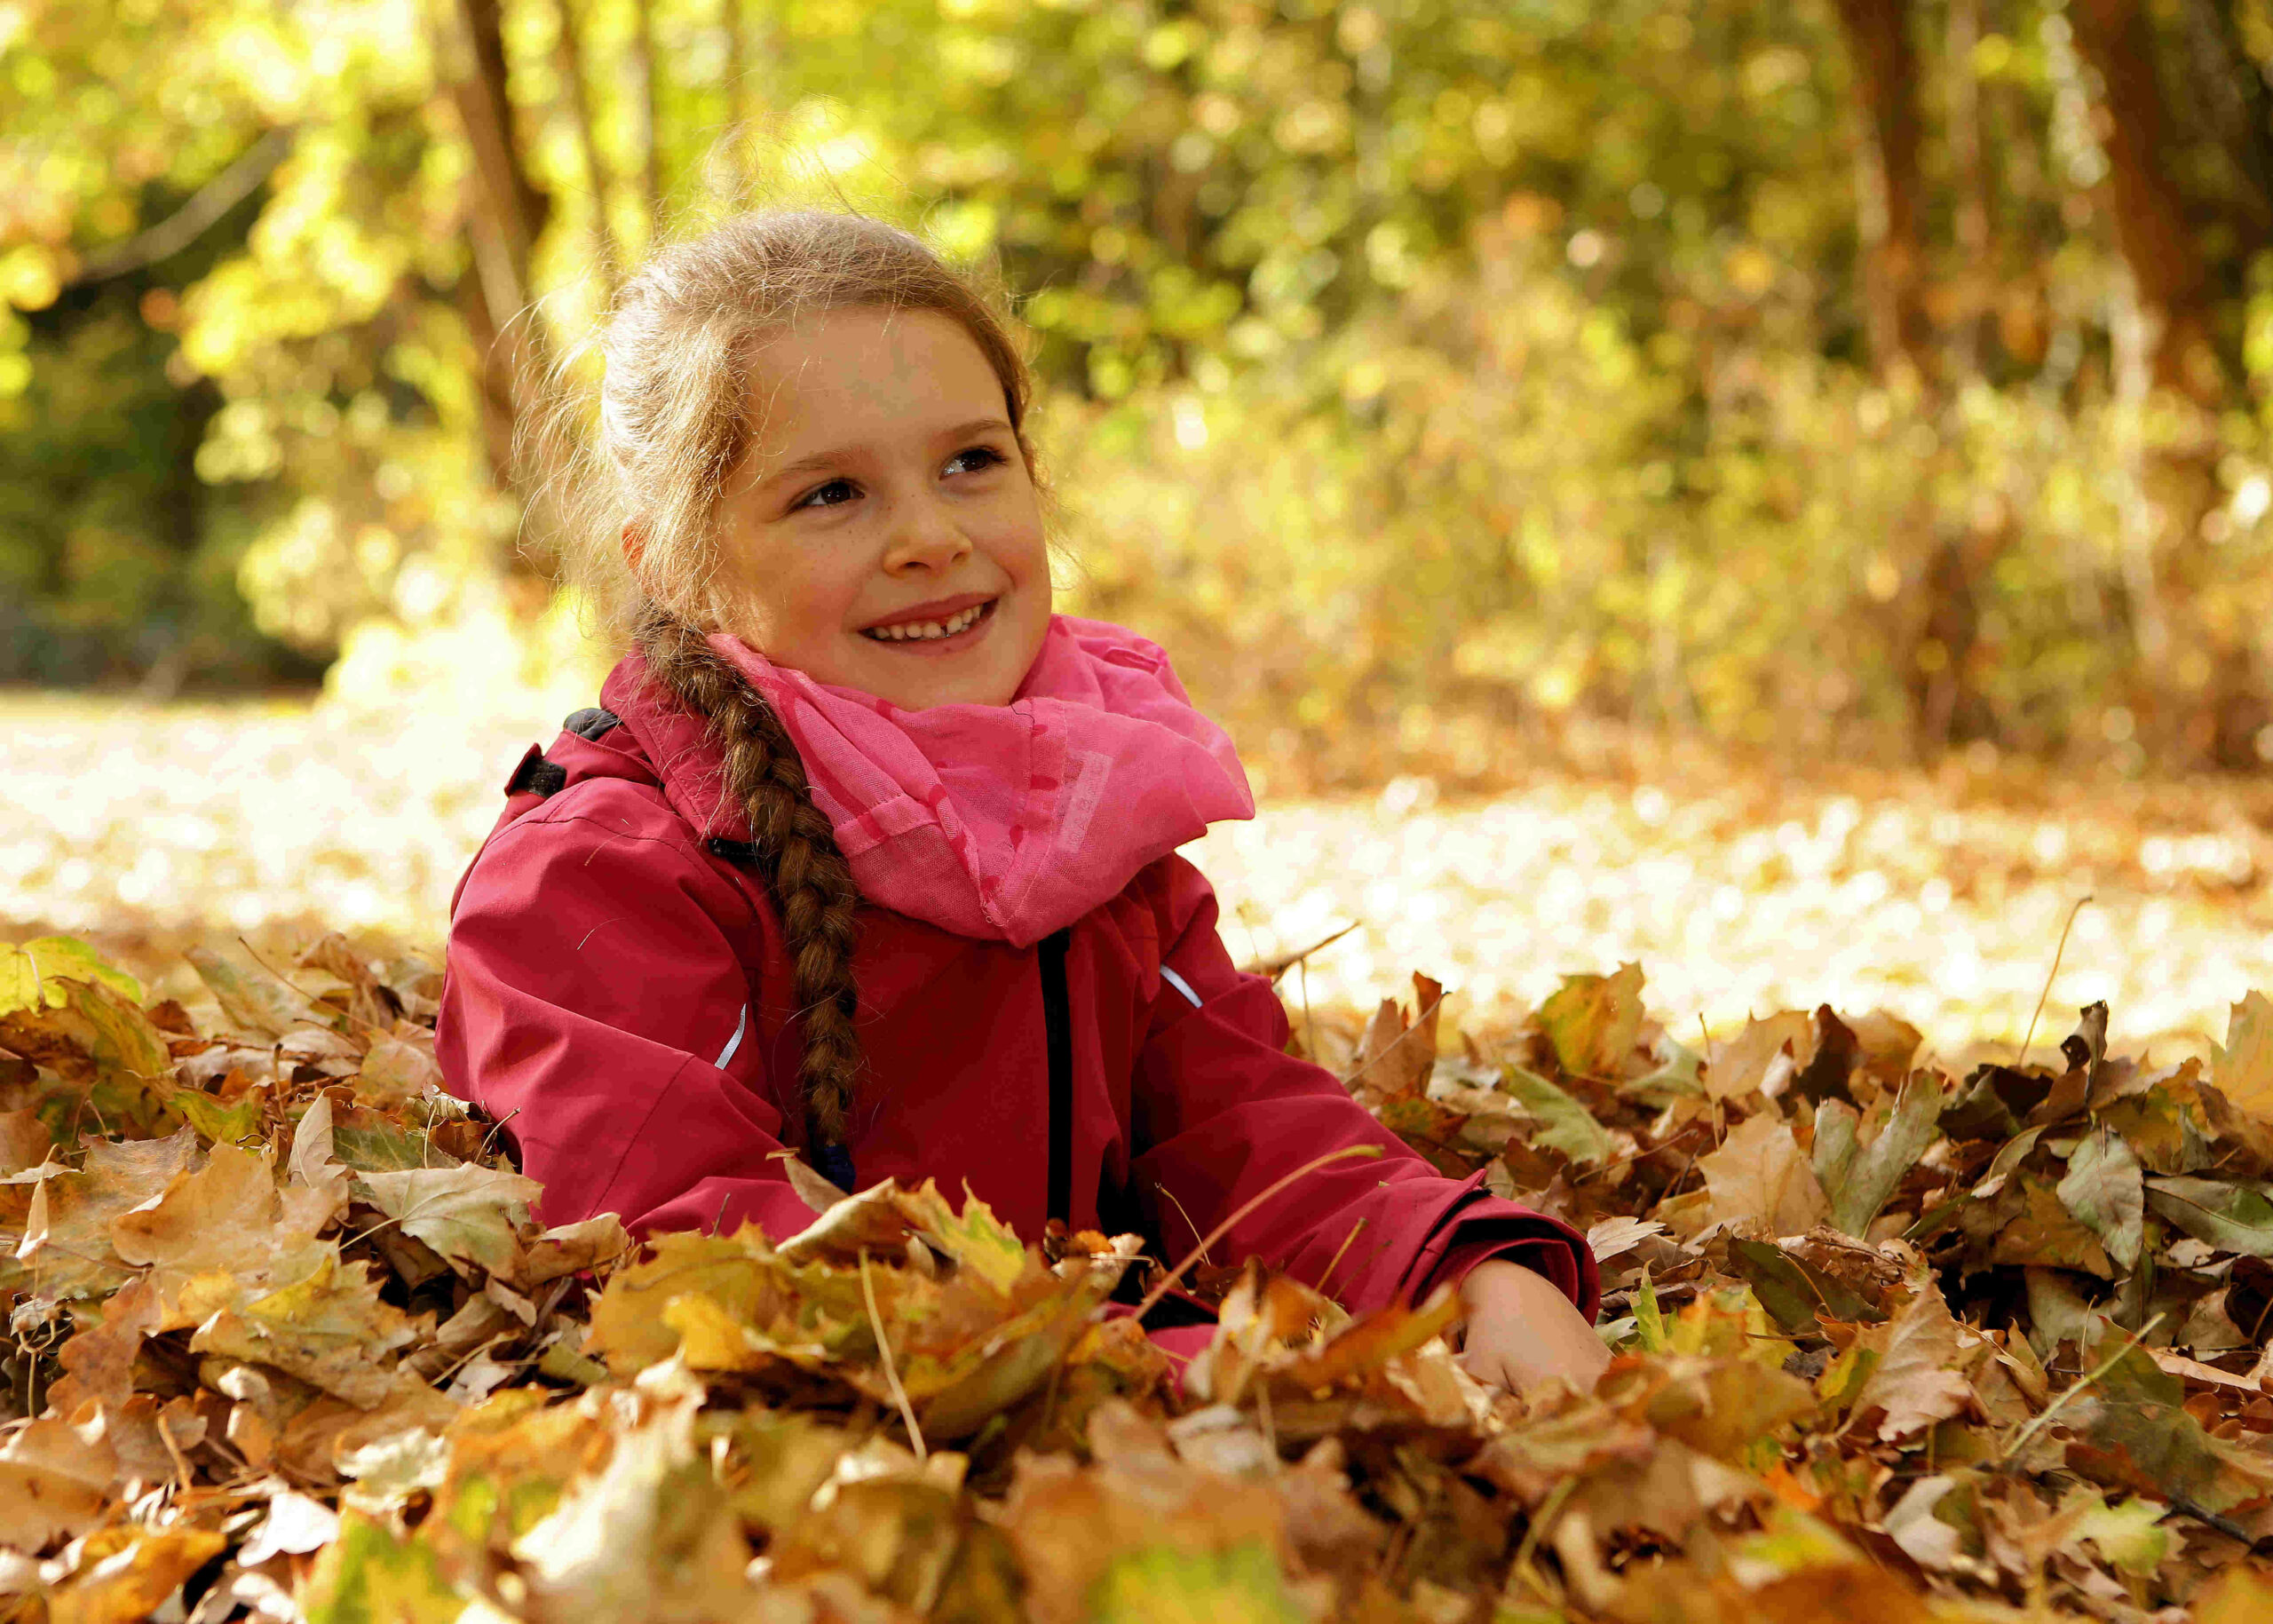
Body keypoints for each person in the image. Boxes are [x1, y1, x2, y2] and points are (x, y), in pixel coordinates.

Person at [434, 210, 1606, 1394]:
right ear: (673, 565)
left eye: (971, 463)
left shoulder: (1080, 817)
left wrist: (1471, 1277)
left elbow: (1246, 1126)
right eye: (832, 493)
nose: (932, 536)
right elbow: (686, 1260)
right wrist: (1169, 1370)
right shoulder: (595, 880)